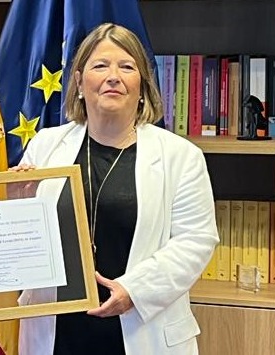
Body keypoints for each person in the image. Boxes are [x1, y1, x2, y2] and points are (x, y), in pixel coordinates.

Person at [12, 23, 219, 354]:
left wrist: (135, 291)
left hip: (142, 325)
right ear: (79, 82)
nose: (113, 76)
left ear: (142, 85)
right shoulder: (45, 146)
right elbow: (24, 246)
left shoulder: (180, 156)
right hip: (59, 332)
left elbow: (196, 241)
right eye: (100, 66)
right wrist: (17, 206)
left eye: (127, 66)